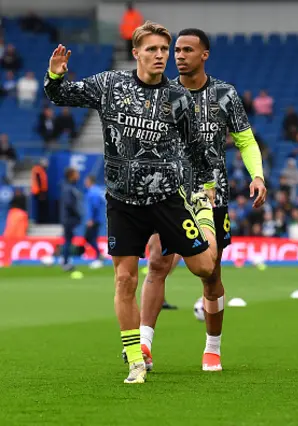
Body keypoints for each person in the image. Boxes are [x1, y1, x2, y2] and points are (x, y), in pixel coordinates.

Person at [44, 21, 217, 384]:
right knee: (125, 280)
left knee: (203, 267)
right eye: (152, 49)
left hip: (169, 198)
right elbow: (61, 96)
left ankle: (203, 219)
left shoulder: (179, 97)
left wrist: (205, 188)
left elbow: (198, 148)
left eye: (164, 50)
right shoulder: (110, 85)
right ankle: (136, 359)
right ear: (136, 52)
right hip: (122, 201)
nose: (160, 56)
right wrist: (55, 76)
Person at [136, 28, 267, 372]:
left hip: (213, 194)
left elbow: (245, 140)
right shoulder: (159, 91)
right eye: (176, 50)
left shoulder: (225, 94)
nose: (178, 55)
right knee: (157, 263)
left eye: (186, 50)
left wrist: (257, 175)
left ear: (204, 54)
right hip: (167, 193)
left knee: (210, 274)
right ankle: (144, 346)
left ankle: (212, 348)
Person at [60, 167, 82, 272]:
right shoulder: (68, 188)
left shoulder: (69, 187)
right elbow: (69, 204)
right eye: (76, 173)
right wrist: (78, 214)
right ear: (71, 175)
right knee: (68, 240)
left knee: (68, 240)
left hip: (68, 218)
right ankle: (65, 262)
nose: (78, 175)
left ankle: (65, 261)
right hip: (68, 219)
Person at [84, 175, 105, 268]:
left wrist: (91, 219)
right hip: (97, 219)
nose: (85, 183)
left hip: (94, 220)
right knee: (91, 238)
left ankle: (98, 257)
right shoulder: (97, 190)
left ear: (90, 181)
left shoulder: (93, 192)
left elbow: (95, 206)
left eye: (86, 181)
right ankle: (98, 256)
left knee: (90, 238)